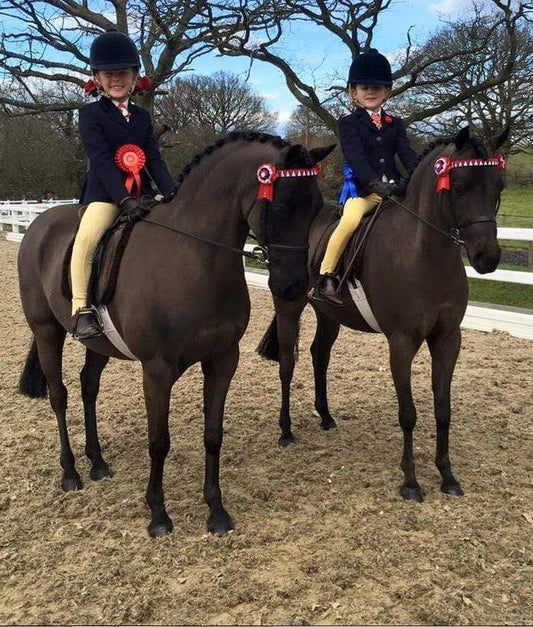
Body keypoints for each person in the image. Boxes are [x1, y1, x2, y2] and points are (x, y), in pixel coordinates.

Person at [71, 28, 177, 340]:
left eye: (123, 74)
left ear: (134, 77)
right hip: (106, 195)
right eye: (109, 74)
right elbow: (100, 160)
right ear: (98, 79)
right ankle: (81, 308)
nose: (116, 80)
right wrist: (122, 199)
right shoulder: (90, 114)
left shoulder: (142, 116)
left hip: (143, 194)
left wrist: (172, 192)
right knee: (87, 239)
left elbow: (153, 158)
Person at [312, 48, 418, 306]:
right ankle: (326, 277)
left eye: (377, 87)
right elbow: (356, 157)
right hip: (365, 192)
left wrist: (416, 175)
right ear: (354, 93)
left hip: (394, 191)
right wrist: (374, 183)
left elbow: (406, 155)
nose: (370, 92)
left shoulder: (396, 123)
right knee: (349, 221)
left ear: (387, 92)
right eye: (364, 87)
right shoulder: (349, 123)